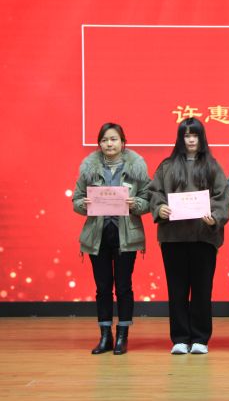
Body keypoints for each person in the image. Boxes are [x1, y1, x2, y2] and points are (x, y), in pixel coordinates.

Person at [150, 117, 229, 355]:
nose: (191, 140)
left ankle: (200, 338)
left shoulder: (212, 166)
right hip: (173, 238)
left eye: (195, 135)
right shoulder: (166, 166)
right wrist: (159, 208)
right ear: (180, 139)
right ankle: (180, 338)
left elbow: (222, 196)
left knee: (202, 290)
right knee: (176, 290)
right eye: (186, 136)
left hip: (203, 237)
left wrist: (215, 217)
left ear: (201, 138)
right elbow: (154, 193)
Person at [72, 123, 151, 355]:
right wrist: (83, 204)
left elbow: (149, 199)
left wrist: (136, 203)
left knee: (124, 287)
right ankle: (105, 336)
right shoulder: (89, 167)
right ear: (99, 143)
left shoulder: (136, 166)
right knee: (103, 288)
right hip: (98, 236)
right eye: (105, 140)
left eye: (114, 139)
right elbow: (76, 200)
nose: (109, 144)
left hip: (127, 235)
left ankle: (122, 336)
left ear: (122, 142)